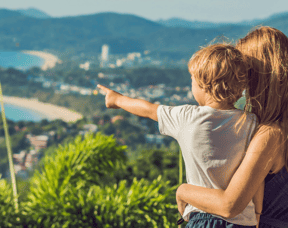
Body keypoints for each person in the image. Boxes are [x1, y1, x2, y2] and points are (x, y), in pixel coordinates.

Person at [176, 27, 288, 228]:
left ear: (257, 76)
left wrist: (183, 191)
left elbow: (229, 205)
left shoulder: (270, 135)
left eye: (243, 72)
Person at [97, 43, 262, 228]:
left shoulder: (187, 117)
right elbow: (257, 176)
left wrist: (117, 99)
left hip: (203, 217)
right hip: (243, 221)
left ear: (203, 84)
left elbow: (148, 110)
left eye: (192, 79)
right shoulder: (251, 123)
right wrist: (257, 213)